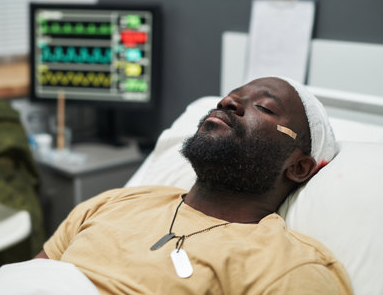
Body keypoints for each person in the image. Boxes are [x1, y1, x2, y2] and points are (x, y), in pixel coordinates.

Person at [33, 76, 352, 294]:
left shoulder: (290, 267)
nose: (227, 102)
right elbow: (24, 282)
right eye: (231, 96)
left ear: (298, 168)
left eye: (265, 107)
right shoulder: (113, 203)